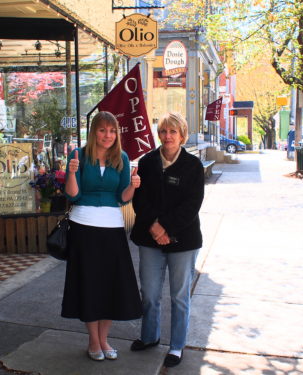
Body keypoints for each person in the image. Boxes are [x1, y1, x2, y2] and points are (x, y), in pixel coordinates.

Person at [62, 111, 142, 361]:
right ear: (93, 131)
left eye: (112, 131)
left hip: (112, 229)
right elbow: (72, 195)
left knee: (111, 285)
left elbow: (122, 197)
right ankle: (93, 341)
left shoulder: (122, 157)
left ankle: (105, 340)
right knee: (89, 284)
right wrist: (73, 173)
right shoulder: (78, 156)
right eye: (102, 130)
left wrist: (133, 185)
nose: (107, 135)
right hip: (83, 227)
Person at [130, 112, 204, 368]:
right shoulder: (148, 162)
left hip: (183, 240)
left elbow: (192, 205)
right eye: (163, 131)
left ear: (182, 135)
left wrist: (166, 228)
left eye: (173, 132)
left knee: (179, 296)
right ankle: (149, 336)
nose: (167, 136)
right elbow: (139, 199)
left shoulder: (193, 166)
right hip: (149, 238)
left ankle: (176, 346)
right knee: (149, 293)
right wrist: (154, 227)